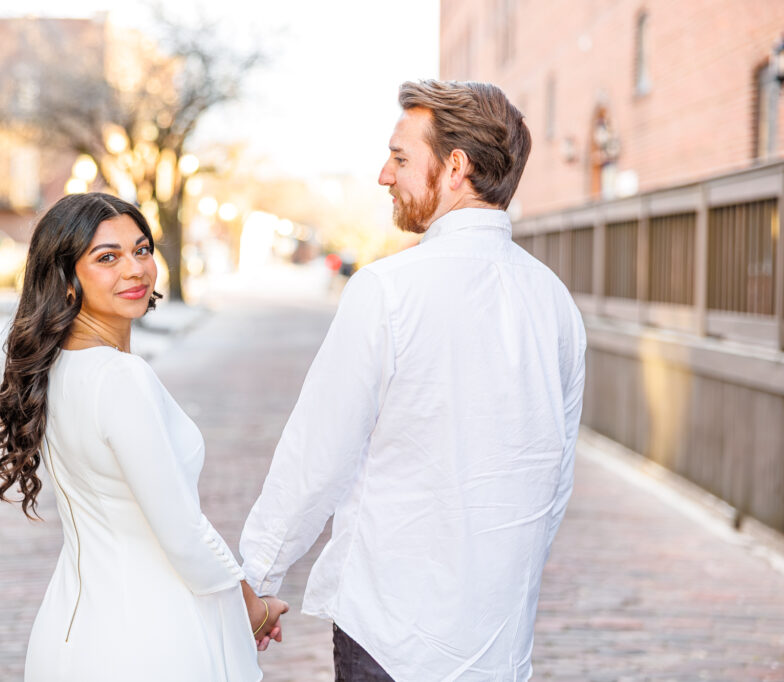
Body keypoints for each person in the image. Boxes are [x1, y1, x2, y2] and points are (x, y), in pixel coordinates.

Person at [240, 80, 587, 681]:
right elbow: (554, 480)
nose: (384, 175)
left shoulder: (387, 291)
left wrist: (255, 581)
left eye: (400, 158)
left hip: (391, 636)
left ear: (455, 167)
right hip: (500, 645)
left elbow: (316, 455)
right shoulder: (556, 303)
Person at [0, 192, 287, 682]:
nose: (135, 269)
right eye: (107, 257)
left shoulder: (55, 370)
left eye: (142, 250)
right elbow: (182, 532)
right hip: (148, 637)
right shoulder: (120, 378)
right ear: (66, 278)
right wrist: (253, 606)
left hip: (69, 633)